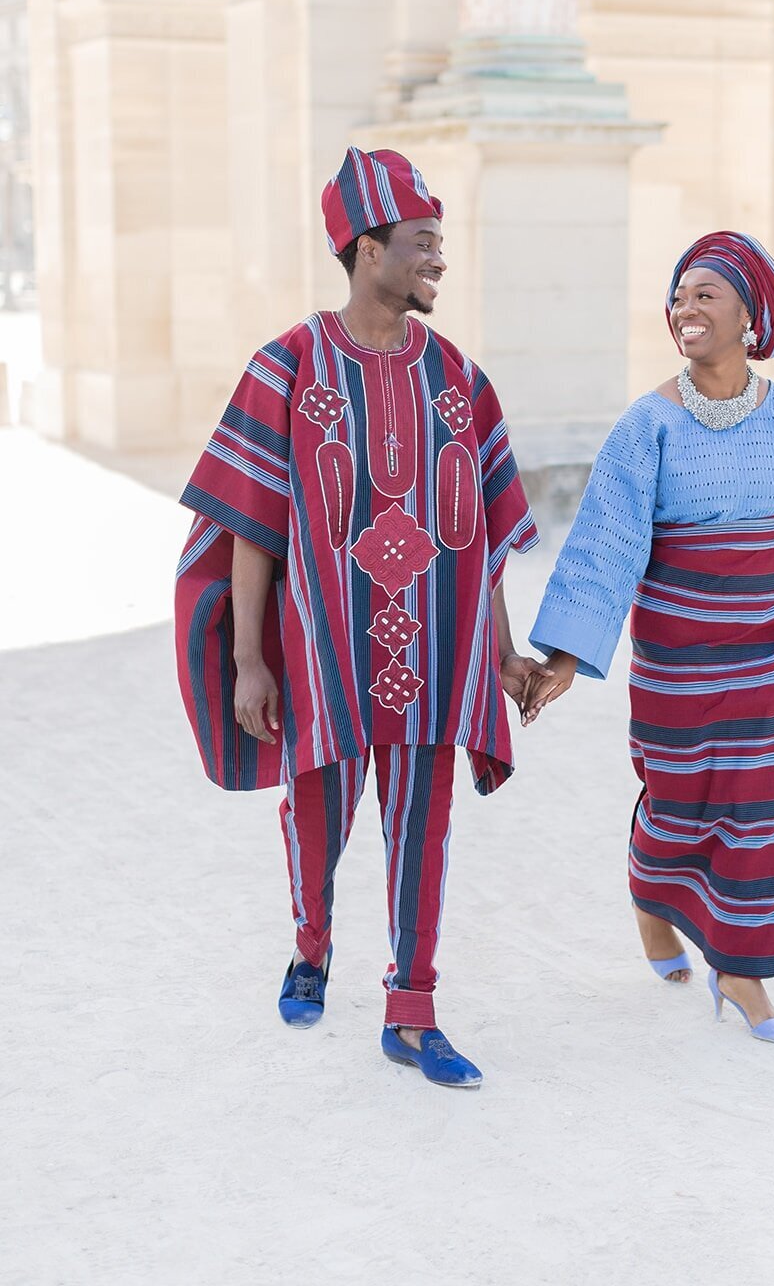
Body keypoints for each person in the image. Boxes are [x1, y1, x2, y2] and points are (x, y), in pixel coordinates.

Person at [174, 146, 549, 1089]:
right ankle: (311, 942)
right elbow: (251, 525)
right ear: (366, 247)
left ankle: (412, 1008)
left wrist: (499, 652)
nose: (438, 261)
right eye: (421, 244)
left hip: (437, 650)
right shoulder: (287, 367)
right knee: (317, 813)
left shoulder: (460, 378)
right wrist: (250, 660)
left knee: (424, 823)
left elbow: (481, 535)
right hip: (322, 647)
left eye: (440, 245)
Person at [524, 231, 774, 1044]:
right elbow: (607, 545)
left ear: (750, 316)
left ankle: (741, 973)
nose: (684, 308)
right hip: (675, 658)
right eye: (678, 296)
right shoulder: (647, 426)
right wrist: (565, 655)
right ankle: (651, 902)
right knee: (676, 802)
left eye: (704, 294)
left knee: (762, 814)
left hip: (769, 655)